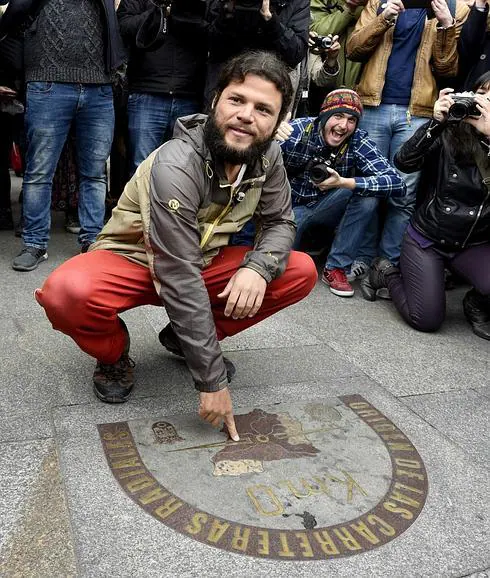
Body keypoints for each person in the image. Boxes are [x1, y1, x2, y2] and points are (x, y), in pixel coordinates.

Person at [34, 51, 318, 439]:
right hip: (134, 258)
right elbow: (178, 273)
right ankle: (114, 355)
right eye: (237, 100)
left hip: (202, 260)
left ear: (277, 122)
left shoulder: (268, 157)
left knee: (298, 270)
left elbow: (280, 221)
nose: (247, 116)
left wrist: (258, 267)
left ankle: (183, 339)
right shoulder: (176, 162)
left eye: (263, 109)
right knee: (66, 293)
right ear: (216, 99)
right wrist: (212, 383)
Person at [343, 0, 469, 298]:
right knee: (369, 187)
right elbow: (353, 50)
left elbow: (448, 68)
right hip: (374, 105)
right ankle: (361, 257)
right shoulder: (379, 1)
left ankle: (387, 264)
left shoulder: (454, 7)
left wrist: (446, 26)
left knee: (403, 193)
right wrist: (384, 18)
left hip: (419, 112)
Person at [365, 74, 490, 340]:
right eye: (482, 96)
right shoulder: (450, 129)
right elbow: (404, 162)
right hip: (429, 239)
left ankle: (476, 303)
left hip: (474, 243)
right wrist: (435, 123)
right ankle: (386, 272)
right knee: (426, 319)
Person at [10, 0, 125, 272]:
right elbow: (13, 17)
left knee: (95, 172)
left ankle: (93, 241)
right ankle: (34, 243)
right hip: (47, 81)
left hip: (99, 86)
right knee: (39, 171)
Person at [279, 88, 406, 297]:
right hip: (289, 210)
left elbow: (397, 183)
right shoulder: (296, 131)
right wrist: (271, 135)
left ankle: (336, 267)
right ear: (324, 116)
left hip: (327, 206)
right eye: (337, 116)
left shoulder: (356, 140)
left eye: (351, 120)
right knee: (281, 269)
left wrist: (344, 183)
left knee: (368, 196)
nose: (343, 126)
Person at [118, 0, 207, 175]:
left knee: (185, 168)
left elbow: (214, 32)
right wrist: (160, 9)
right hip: (147, 92)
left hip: (189, 94)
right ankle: (142, 204)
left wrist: (185, 14)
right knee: (141, 168)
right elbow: (123, 27)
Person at [205, 0, 310, 108]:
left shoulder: (295, 2)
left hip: (269, 90)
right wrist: (225, 16)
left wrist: (272, 21)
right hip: (225, 85)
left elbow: (296, 53)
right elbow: (208, 43)